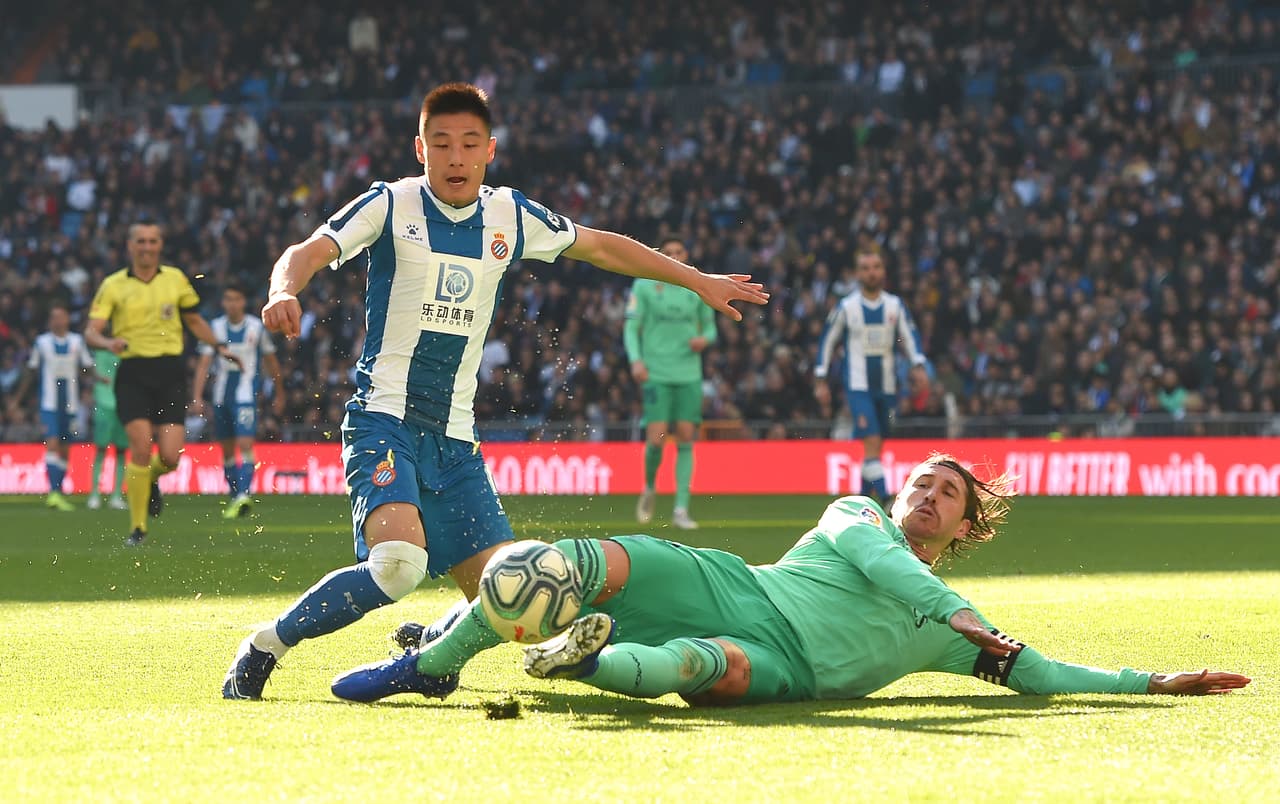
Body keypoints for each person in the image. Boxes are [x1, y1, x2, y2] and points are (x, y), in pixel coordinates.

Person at [222, 82, 768, 700]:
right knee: (398, 564)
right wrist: (282, 290)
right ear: (420, 149)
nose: (456, 157)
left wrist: (695, 280)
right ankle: (265, 644)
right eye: (442, 143)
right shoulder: (390, 204)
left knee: (513, 594)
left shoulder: (509, 214)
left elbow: (600, 247)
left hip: (456, 439)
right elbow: (306, 250)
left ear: (490, 151)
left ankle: (434, 646)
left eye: (469, 144)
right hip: (384, 420)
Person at [331, 454, 1251, 705]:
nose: (927, 496)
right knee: (566, 564)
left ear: (968, 525)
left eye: (948, 494)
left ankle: (580, 662)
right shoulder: (857, 518)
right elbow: (895, 568)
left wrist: (1153, 680)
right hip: (733, 585)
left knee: (710, 671)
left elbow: (1042, 673)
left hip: (783, 665)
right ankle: (438, 662)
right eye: (922, 482)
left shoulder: (948, 638)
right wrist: (961, 612)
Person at [84, 221, 241, 546]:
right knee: (140, 447)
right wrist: (106, 342)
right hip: (132, 372)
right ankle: (137, 528)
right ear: (130, 246)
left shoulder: (176, 280)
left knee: (171, 456)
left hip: (170, 372)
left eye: (152, 241)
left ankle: (150, 478)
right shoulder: (113, 285)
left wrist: (219, 347)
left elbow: (194, 320)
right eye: (140, 240)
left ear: (159, 245)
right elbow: (91, 330)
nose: (146, 246)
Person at [814, 245, 927, 503]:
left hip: (887, 386)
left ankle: (864, 497)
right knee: (872, 439)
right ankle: (888, 499)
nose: (872, 273)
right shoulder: (847, 307)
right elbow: (827, 341)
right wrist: (820, 378)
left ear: (883, 271)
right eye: (866, 268)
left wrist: (918, 364)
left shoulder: (894, 305)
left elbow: (910, 337)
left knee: (876, 445)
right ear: (857, 274)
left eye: (876, 267)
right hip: (857, 387)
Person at [625, 237, 717, 529]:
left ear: (686, 254)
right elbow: (631, 326)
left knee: (687, 437)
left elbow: (712, 328)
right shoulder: (644, 285)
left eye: (679, 252)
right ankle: (650, 487)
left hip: (688, 372)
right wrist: (636, 360)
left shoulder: (697, 286)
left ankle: (680, 509)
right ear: (660, 256)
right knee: (657, 439)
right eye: (669, 253)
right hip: (656, 372)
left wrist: (705, 339)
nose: (675, 256)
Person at [191, 284, 285, 519]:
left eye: (237, 299)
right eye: (228, 299)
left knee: (245, 444)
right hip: (221, 397)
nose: (232, 304)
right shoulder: (214, 328)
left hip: (245, 397)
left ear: (243, 302)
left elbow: (271, 361)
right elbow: (203, 364)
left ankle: (244, 494)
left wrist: (279, 391)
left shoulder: (256, 327)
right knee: (227, 450)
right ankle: (235, 497)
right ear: (223, 303)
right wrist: (197, 396)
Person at [9, 303, 95, 511]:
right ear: (50, 321)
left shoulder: (77, 341)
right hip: (49, 403)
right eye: (54, 317)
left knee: (65, 449)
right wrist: (17, 399)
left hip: (71, 403)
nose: (58, 321)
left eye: (61, 316)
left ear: (67, 319)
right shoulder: (42, 342)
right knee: (53, 443)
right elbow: (31, 371)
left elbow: (85, 367)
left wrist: (97, 379)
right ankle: (54, 493)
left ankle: (58, 491)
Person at [87, 347, 129, 511]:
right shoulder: (98, 350)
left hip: (124, 404)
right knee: (101, 449)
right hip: (103, 404)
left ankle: (117, 495)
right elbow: (87, 367)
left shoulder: (127, 352)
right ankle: (94, 494)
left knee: (121, 450)